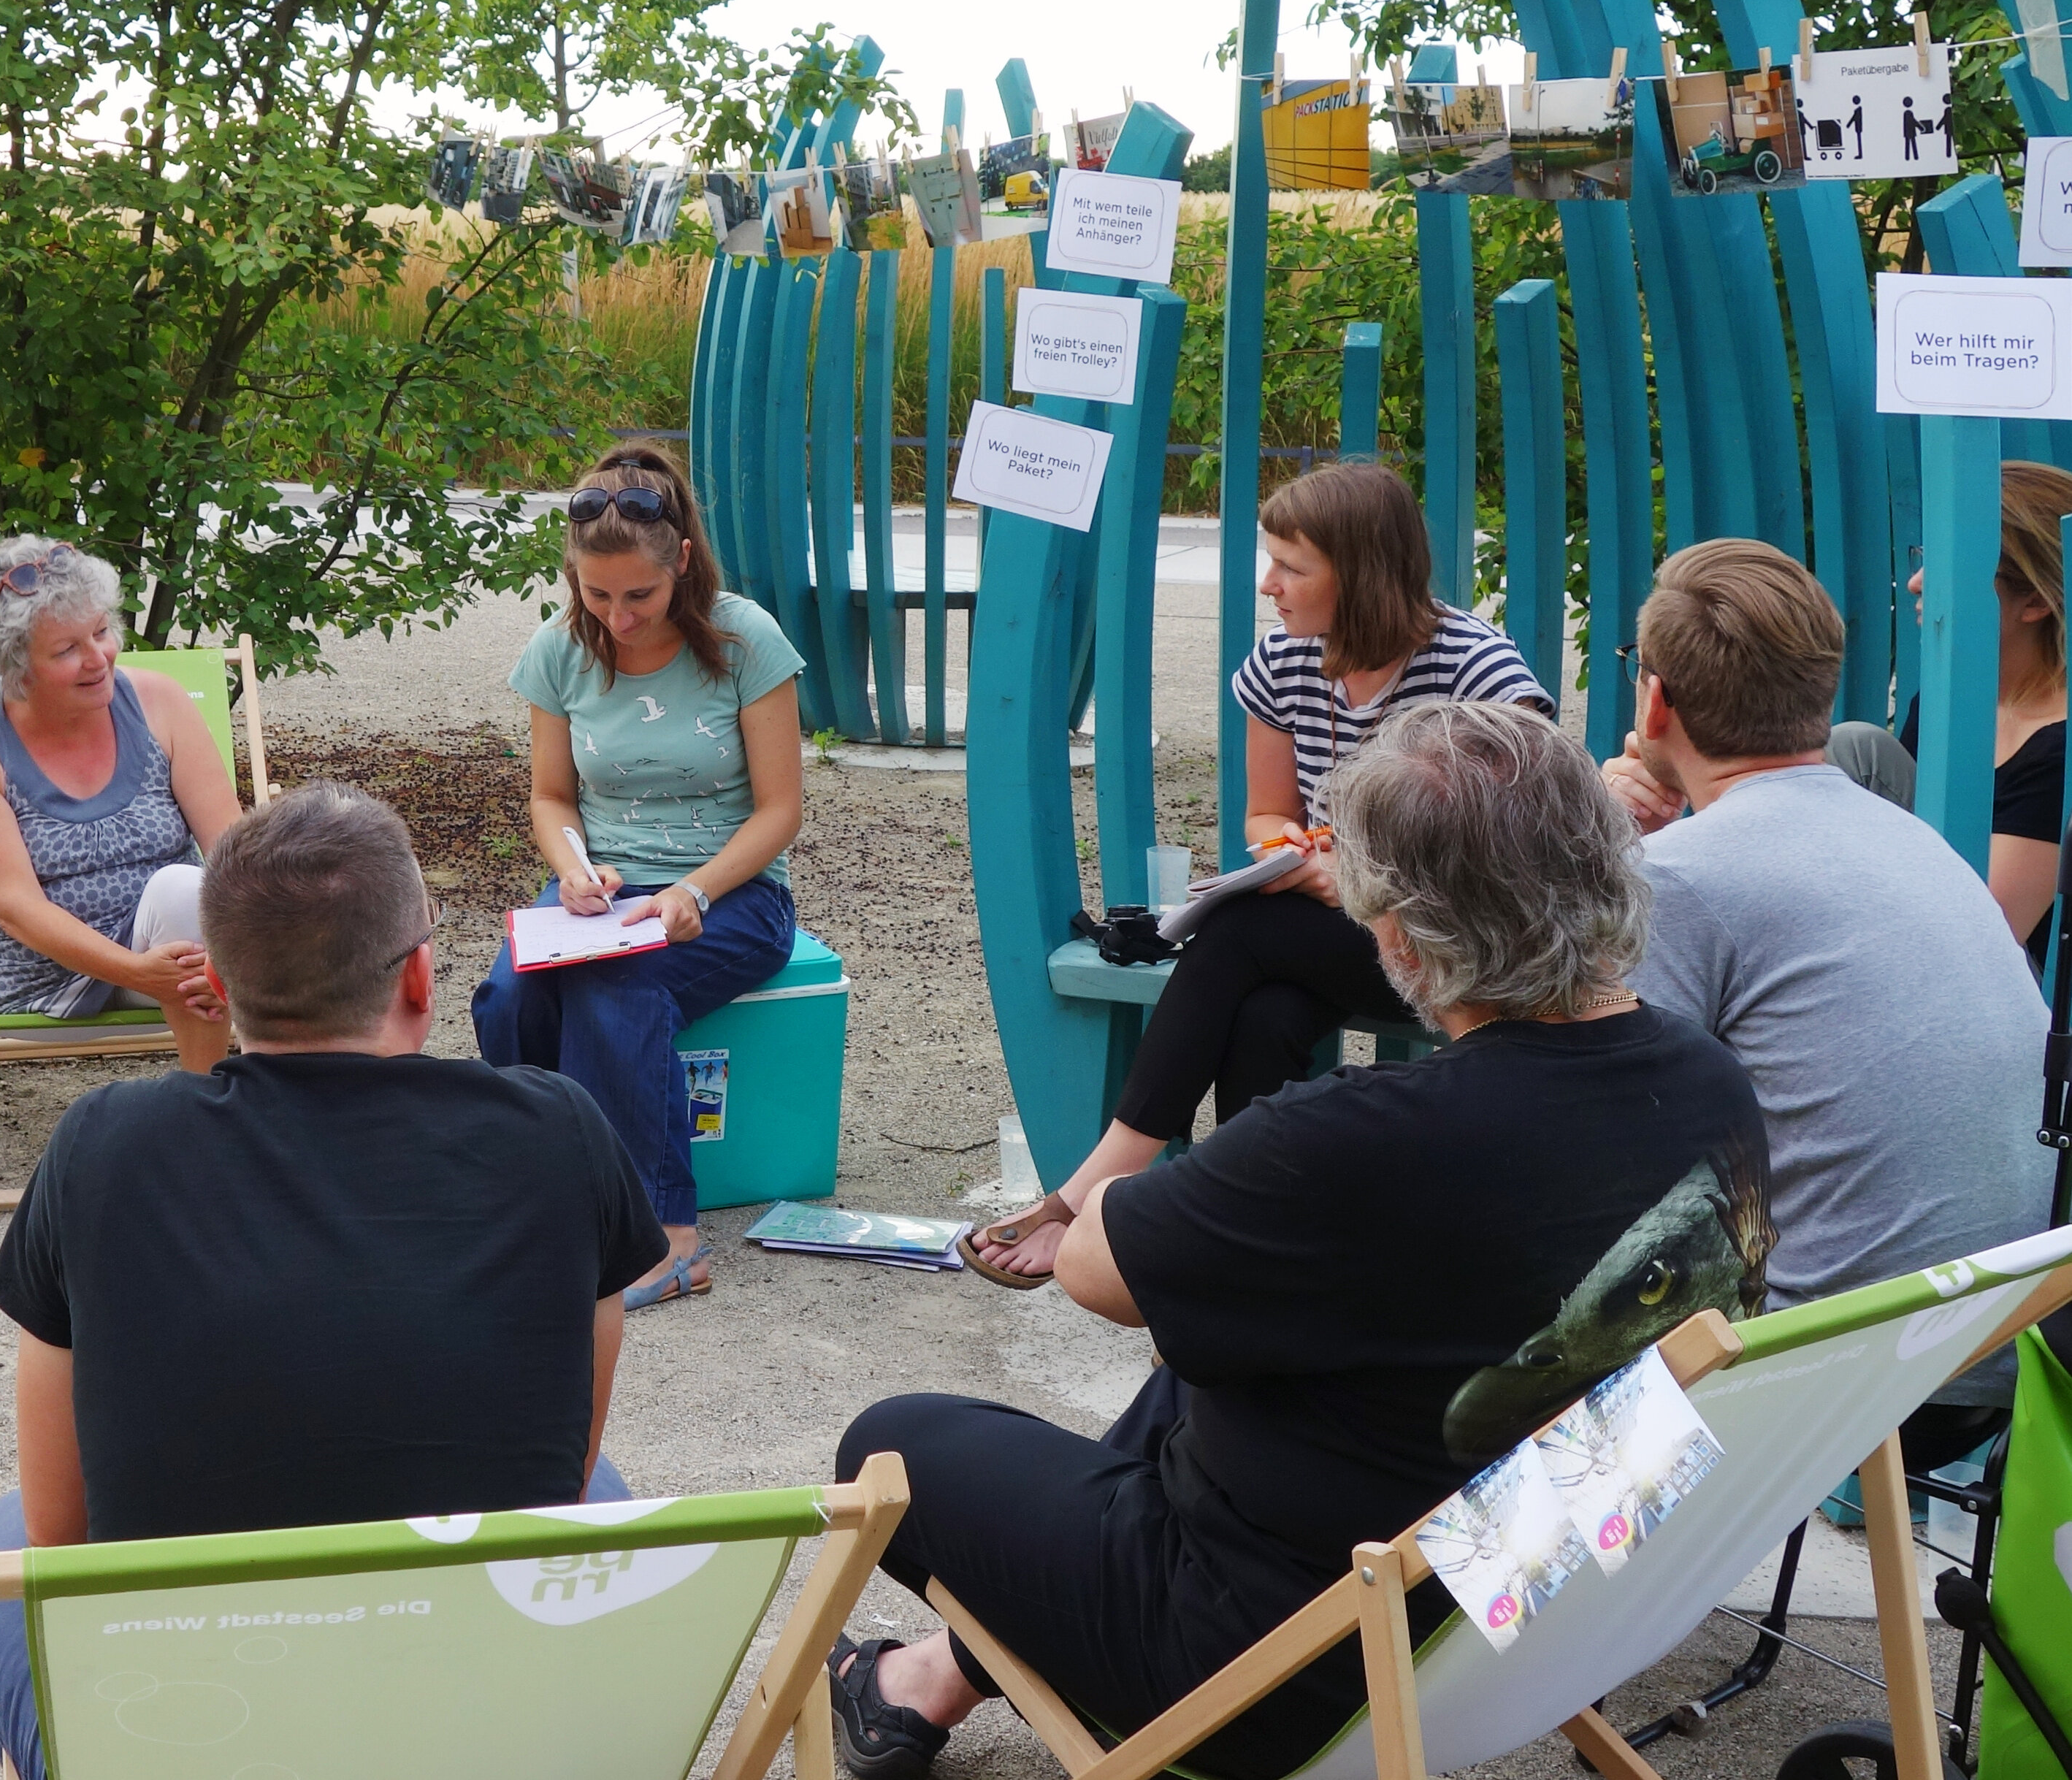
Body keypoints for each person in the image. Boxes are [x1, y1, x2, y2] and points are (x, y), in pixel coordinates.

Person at [829, 702, 1771, 1780]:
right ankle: (925, 1679)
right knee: (1218, 1343)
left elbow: (1092, 1266)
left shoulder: (1357, 1138)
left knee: (890, 1442)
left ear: (1403, 935)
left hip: (1285, 1667)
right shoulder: (1709, 1081)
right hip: (1538, 1610)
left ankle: (959, 1667)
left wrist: (1110, 1196)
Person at [0, 784, 665, 1779]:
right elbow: (558, 1466)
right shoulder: (559, 1132)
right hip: (481, 1725)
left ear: (216, 981)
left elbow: (67, 1535)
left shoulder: (103, 1147)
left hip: (187, 1736)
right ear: (418, 973)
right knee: (600, 1485)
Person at [968, 460, 1551, 1286]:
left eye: (1292, 565)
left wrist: (1350, 876)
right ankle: (1255, 1246)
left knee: (1238, 929)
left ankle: (1097, 1188)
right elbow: (1265, 815)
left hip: (1454, 953)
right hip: (1339, 944)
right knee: (1262, 1014)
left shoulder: (1476, 670)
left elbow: (1516, 847)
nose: (1269, 583)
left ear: (1361, 576)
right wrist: (1295, 851)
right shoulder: (1284, 663)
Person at [1603, 538, 2050, 1457]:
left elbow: (1575, 1134)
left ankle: (1450, 1599)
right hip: (1996, 1348)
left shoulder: (1685, 877)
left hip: (1826, 1378)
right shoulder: (1910, 839)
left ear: (1654, 700)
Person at [473, 445, 805, 1310]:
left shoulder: (745, 639)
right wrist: (574, 868)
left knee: (614, 988)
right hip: (604, 896)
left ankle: (666, 1237)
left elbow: (779, 811)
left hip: (731, 893)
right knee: (509, 996)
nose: (617, 617)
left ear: (682, 563)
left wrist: (692, 890)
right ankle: (549, 1198)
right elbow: (550, 797)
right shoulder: (557, 649)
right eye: (595, 593)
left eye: (639, 595)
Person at [0, 536, 237, 1072]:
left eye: (101, 632)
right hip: (40, 980)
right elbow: (17, 911)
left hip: (174, 949)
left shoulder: (160, 702)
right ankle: (208, 1105)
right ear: (17, 668)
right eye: (67, 650)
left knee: (214, 892)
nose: (99, 659)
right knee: (186, 893)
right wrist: (138, 971)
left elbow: (236, 849)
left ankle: (225, 1095)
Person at [1824, 459, 2072, 964]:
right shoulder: (1946, 701)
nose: (1917, 582)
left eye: (1952, 563)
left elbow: (1983, 935)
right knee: (1855, 748)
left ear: (2035, 603)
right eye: (1926, 554)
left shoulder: (2061, 747)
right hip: (1908, 932)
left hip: (1998, 983)